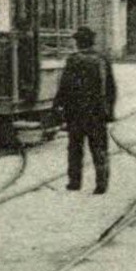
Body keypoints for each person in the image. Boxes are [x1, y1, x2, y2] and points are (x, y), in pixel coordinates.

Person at [55, 27, 116, 194]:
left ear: (78, 42)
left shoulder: (73, 60)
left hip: (75, 114)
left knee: (75, 149)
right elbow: (111, 88)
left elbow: (64, 87)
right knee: (99, 148)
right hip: (97, 113)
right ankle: (101, 184)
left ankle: (74, 182)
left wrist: (58, 107)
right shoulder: (102, 59)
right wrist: (109, 112)